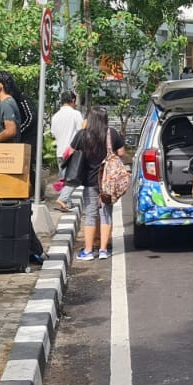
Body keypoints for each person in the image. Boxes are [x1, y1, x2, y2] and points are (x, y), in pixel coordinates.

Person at [70, 107, 124, 261]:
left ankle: (88, 251)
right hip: (107, 181)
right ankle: (103, 250)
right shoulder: (111, 133)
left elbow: (70, 151)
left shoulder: (83, 134)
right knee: (106, 214)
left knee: (90, 215)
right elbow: (121, 153)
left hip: (90, 180)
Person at [50, 91, 84, 209]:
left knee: (64, 179)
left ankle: (66, 204)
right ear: (73, 101)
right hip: (72, 151)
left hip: (60, 151)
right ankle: (63, 198)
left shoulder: (55, 116)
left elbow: (53, 134)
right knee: (75, 179)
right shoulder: (76, 114)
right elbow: (81, 132)